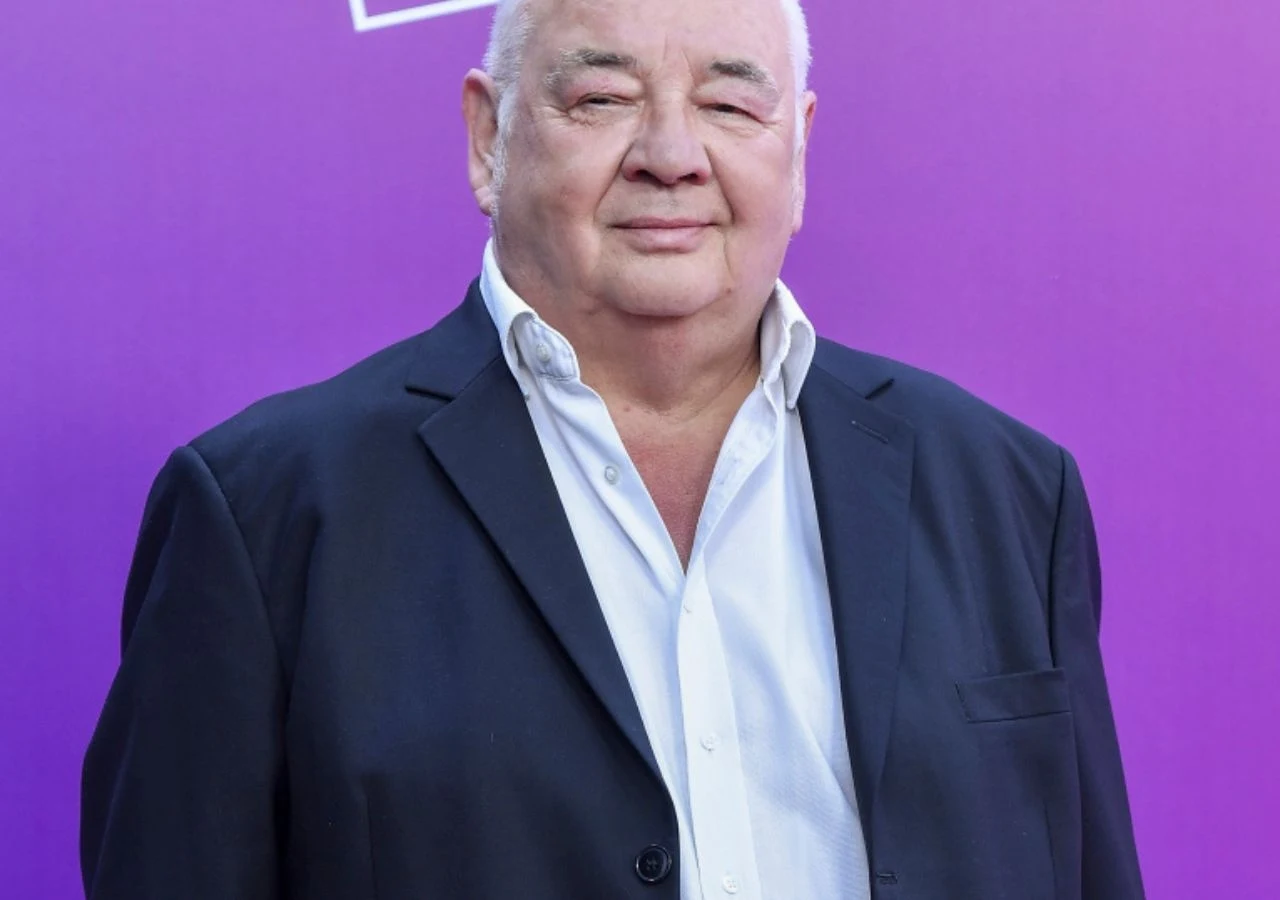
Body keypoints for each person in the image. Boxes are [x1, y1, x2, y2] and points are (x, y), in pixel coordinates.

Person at [80, 0, 1145, 896]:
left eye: (730, 105)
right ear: (488, 138)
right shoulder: (265, 513)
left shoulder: (1008, 490)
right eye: (601, 99)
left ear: (799, 149)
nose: (671, 158)